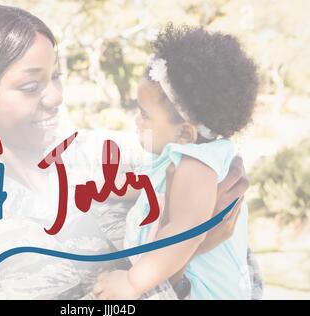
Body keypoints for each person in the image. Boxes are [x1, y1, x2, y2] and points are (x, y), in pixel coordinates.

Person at [0, 4, 256, 299]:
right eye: (31, 87)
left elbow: (238, 266)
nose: (56, 97)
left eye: (56, 77)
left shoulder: (110, 153)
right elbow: (195, 239)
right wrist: (185, 259)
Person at [94, 24, 260, 300]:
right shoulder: (193, 156)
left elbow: (186, 231)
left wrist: (132, 284)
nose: (137, 121)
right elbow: (150, 185)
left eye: (144, 114)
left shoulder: (195, 165)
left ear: (184, 132)